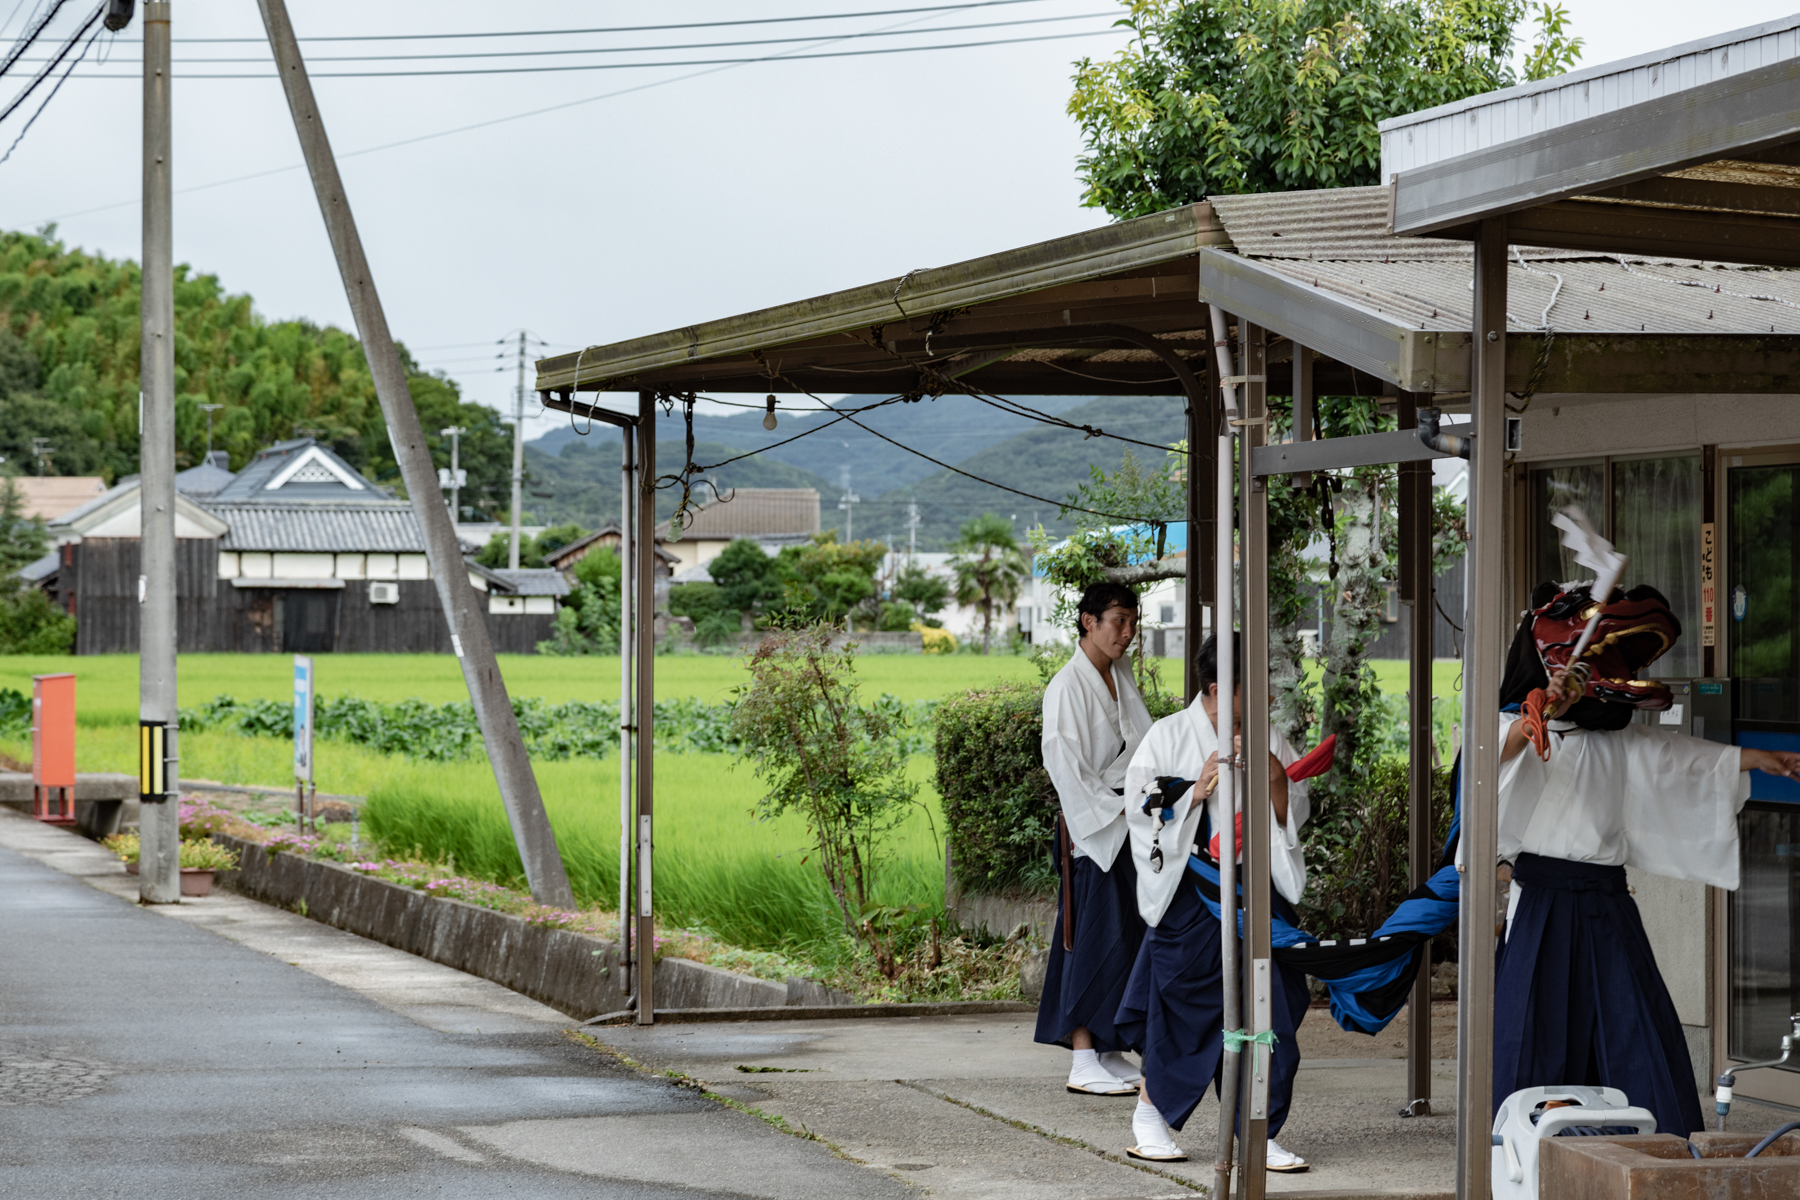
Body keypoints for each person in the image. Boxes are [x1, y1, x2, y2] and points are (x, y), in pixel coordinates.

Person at [1494, 581, 1800, 1136]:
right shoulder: (1518, 728)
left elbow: (1685, 760)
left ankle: (1659, 1152)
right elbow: (1492, 759)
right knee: (1533, 1038)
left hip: (1607, 903)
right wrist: (1535, 713)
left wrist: (1761, 758)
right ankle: (1523, 1157)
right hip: (1540, 902)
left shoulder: (1622, 744)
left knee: (1636, 1028)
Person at [1115, 632, 1312, 1173]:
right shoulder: (1168, 734)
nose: (1269, 696)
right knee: (1184, 1007)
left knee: (1273, 1007)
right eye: (1258, 685)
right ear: (1219, 687)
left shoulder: (1268, 735)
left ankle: (1258, 1130)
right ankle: (1150, 1115)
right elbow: (1140, 805)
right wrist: (1193, 790)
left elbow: (1295, 807)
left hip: (1256, 889)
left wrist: (1274, 778)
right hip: (1191, 891)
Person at [1035, 582, 1155, 1096]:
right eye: (1118, 621)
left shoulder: (1118, 674)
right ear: (1089, 620)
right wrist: (1112, 817)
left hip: (1129, 815)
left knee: (1122, 935)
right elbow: (1065, 765)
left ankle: (1106, 1049)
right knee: (1086, 936)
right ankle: (1082, 1057)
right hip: (1096, 824)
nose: (1127, 634)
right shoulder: (1067, 685)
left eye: (1133, 623)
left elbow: (1145, 745)